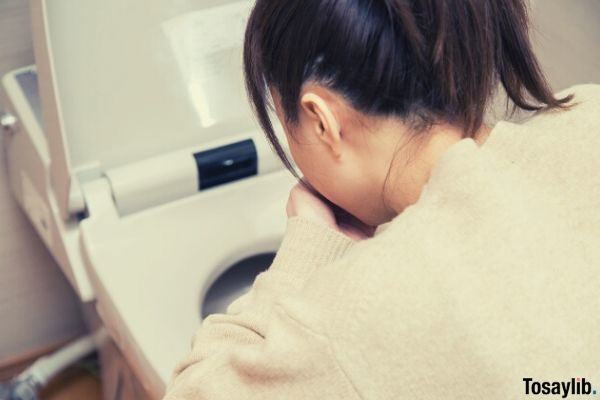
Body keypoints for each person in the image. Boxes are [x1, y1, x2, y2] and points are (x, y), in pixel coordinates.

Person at [163, 0, 600, 398]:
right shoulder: (589, 113)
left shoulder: (357, 314)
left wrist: (304, 253)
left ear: (321, 120)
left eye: (284, 119)